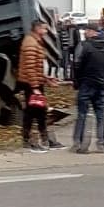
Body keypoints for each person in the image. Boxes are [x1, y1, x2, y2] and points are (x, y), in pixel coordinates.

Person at [17, 20, 64, 153]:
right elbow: (30, 67)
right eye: (44, 29)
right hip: (31, 83)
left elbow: (35, 67)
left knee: (39, 112)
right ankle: (31, 140)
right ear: (37, 28)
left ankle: (43, 139)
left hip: (35, 82)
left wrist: (46, 79)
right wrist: (35, 87)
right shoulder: (31, 43)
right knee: (33, 112)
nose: (46, 31)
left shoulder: (35, 41)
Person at [72, 24, 104, 153]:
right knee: (101, 114)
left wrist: (77, 82)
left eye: (87, 30)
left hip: (86, 83)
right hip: (101, 84)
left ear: (93, 32)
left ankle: (80, 144)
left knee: (82, 114)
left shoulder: (83, 45)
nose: (85, 32)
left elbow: (77, 65)